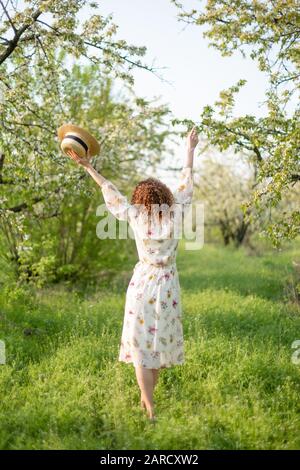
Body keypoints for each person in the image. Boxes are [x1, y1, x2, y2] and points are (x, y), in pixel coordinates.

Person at [66, 127, 199, 421]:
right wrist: (190, 150)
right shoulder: (175, 213)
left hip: (142, 284)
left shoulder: (136, 215)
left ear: (140, 199)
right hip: (167, 285)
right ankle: (149, 401)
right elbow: (186, 183)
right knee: (159, 343)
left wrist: (89, 166)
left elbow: (110, 192)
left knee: (140, 344)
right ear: (165, 197)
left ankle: (146, 400)